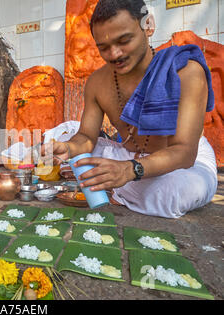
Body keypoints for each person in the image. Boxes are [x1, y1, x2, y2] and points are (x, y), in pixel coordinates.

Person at [43, 0, 217, 218]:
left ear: (148, 26)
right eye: (103, 48)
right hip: (126, 153)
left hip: (184, 163)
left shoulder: (186, 71)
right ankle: (117, 185)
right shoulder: (98, 81)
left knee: (173, 192)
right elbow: (87, 136)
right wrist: (67, 148)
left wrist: (129, 170)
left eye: (124, 41)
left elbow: (184, 153)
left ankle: (114, 187)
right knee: (61, 135)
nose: (115, 54)